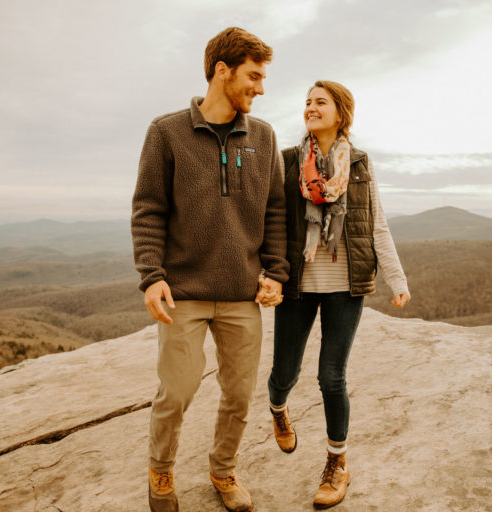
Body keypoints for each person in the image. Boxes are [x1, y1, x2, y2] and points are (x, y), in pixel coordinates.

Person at [131, 27, 288, 512]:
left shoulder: (262, 136)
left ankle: (223, 471)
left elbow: (276, 211)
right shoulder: (166, 132)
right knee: (176, 393)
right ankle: (161, 471)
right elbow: (148, 209)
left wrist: (276, 272)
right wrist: (152, 275)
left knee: (239, 396)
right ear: (222, 71)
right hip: (185, 293)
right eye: (254, 76)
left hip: (243, 295)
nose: (260, 89)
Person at [266, 81, 410, 509]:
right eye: (307, 101)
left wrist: (396, 280)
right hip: (299, 283)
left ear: (340, 113)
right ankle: (277, 408)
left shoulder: (360, 163)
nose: (310, 107)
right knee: (283, 374)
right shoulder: (289, 161)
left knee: (332, 377)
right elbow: (270, 221)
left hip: (346, 284)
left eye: (320, 102)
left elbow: (375, 224)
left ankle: (336, 462)